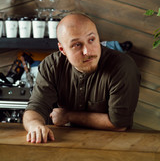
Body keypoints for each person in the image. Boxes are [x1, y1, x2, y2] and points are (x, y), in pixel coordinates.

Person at [23, 13, 140, 143]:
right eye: (77, 45)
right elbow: (36, 107)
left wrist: (68, 116)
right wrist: (34, 125)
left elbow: (119, 124)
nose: (88, 51)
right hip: (65, 142)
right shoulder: (52, 65)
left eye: (92, 40)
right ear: (62, 49)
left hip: (113, 144)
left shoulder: (122, 66)